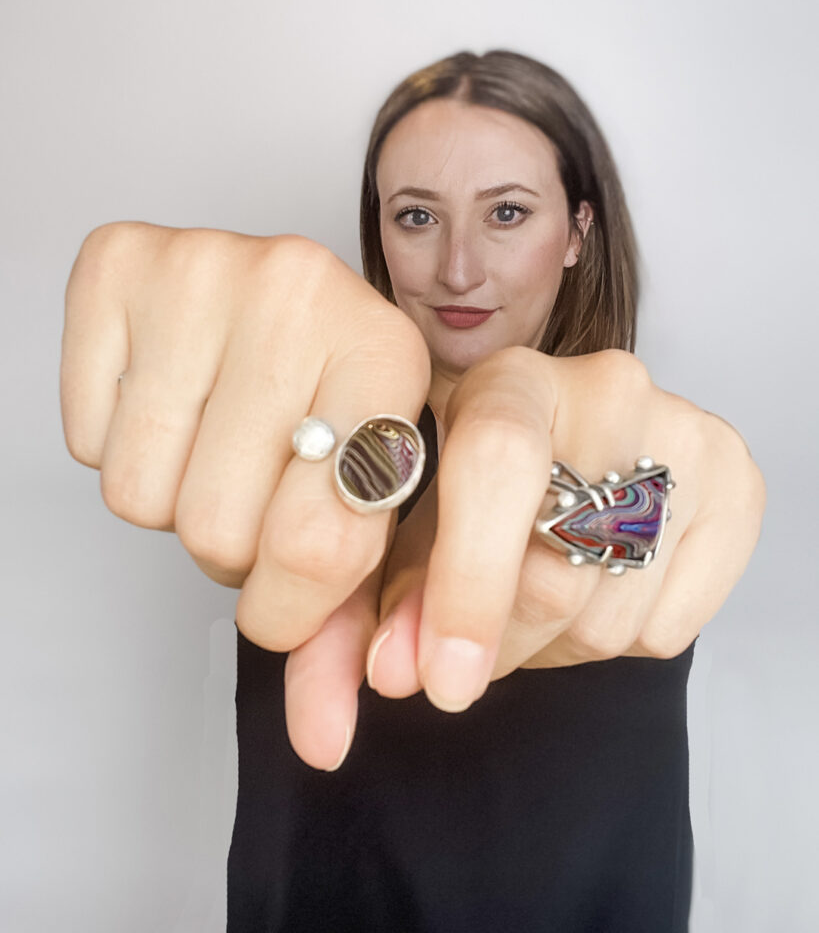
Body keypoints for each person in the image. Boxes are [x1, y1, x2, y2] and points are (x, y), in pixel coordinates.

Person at [60, 49, 765, 931]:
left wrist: (647, 505)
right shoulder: (307, 437)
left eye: (506, 212)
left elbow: (695, 479)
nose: (458, 269)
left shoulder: (640, 451)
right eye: (416, 216)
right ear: (379, 232)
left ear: (579, 231)